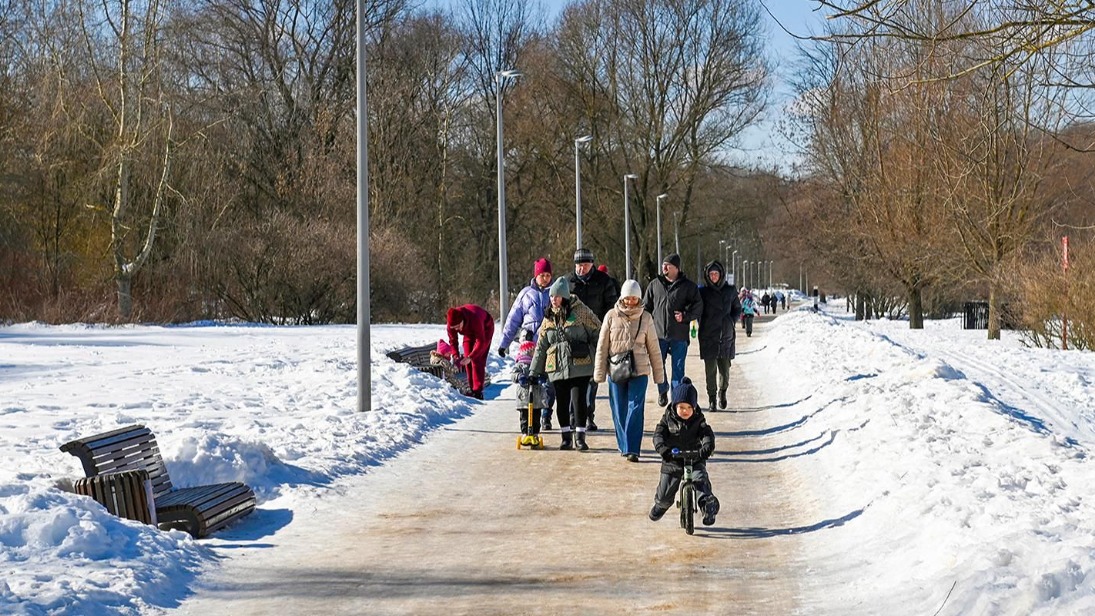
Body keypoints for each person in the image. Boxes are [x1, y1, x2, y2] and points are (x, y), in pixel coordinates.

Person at [593, 279, 665, 462]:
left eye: (634, 298)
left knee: (636, 408)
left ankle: (632, 448)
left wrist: (659, 376)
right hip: (616, 369)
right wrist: (599, 373)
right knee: (619, 408)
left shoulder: (646, 317)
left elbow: (654, 349)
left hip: (639, 371)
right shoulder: (611, 316)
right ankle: (623, 444)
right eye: (628, 298)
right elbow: (602, 346)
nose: (631, 302)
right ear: (622, 298)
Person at [530, 278, 602, 451]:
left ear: (565, 296)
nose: (553, 299)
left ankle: (580, 437)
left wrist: (600, 358)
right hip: (556, 366)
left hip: (580, 364)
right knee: (561, 402)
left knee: (578, 401)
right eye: (551, 296)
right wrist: (534, 371)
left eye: (557, 296)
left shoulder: (581, 311)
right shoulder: (548, 318)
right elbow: (541, 347)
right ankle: (565, 437)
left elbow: (597, 332)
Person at [649, 378, 719, 526]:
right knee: (665, 491)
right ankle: (661, 505)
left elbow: (707, 434)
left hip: (695, 458)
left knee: (700, 481)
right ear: (675, 406)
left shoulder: (699, 420)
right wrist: (662, 447)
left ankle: (708, 506)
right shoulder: (667, 420)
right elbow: (658, 434)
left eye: (689, 407)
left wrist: (707, 447)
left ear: (694, 407)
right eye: (681, 407)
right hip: (673, 459)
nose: (685, 411)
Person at [498, 258, 556, 429]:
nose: (545, 278)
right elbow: (513, 320)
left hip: (549, 346)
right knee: (528, 381)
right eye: (542, 275)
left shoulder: (555, 293)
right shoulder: (525, 294)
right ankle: (528, 417)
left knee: (548, 382)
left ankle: (546, 413)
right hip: (529, 348)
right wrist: (504, 344)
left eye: (548, 275)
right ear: (535, 275)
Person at [567, 248, 620, 432]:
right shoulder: (568, 283)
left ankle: (589, 415)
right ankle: (573, 416)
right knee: (574, 378)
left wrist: (607, 330)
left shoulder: (604, 282)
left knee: (592, 378)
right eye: (578, 265)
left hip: (597, 335)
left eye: (584, 265)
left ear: (591, 264)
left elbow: (611, 308)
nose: (581, 268)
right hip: (573, 336)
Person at [642, 253, 703, 407]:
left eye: (667, 265)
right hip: (658, 334)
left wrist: (685, 315)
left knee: (678, 368)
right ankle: (662, 390)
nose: (664, 268)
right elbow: (646, 307)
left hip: (679, 334)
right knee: (658, 365)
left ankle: (676, 397)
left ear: (676, 268)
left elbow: (698, 306)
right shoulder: (655, 285)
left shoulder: (688, 286)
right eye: (663, 265)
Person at [697, 261, 741, 411]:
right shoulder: (703, 292)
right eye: (711, 274)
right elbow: (697, 310)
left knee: (724, 369)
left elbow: (737, 309)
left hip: (725, 335)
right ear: (707, 276)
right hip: (708, 336)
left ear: (720, 274)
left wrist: (730, 321)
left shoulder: (730, 290)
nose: (714, 276)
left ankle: (722, 393)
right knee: (710, 371)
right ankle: (711, 399)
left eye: (716, 273)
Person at [445, 304, 494, 400]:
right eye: (454, 328)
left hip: (485, 328)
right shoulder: (451, 326)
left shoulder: (475, 318)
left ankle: (478, 391)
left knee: (477, 358)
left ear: (462, 320)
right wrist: (455, 355)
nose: (457, 330)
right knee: (466, 357)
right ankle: (472, 389)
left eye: (458, 326)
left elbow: (480, 341)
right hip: (469, 332)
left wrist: (471, 357)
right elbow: (453, 340)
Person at [512, 341, 549, 439]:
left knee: (536, 416)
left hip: (536, 396)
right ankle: (525, 433)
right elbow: (513, 374)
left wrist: (542, 377)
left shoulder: (538, 364)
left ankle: (535, 433)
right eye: (532, 351)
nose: (534, 353)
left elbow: (545, 372)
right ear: (527, 352)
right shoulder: (520, 365)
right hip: (524, 396)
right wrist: (520, 376)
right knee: (524, 416)